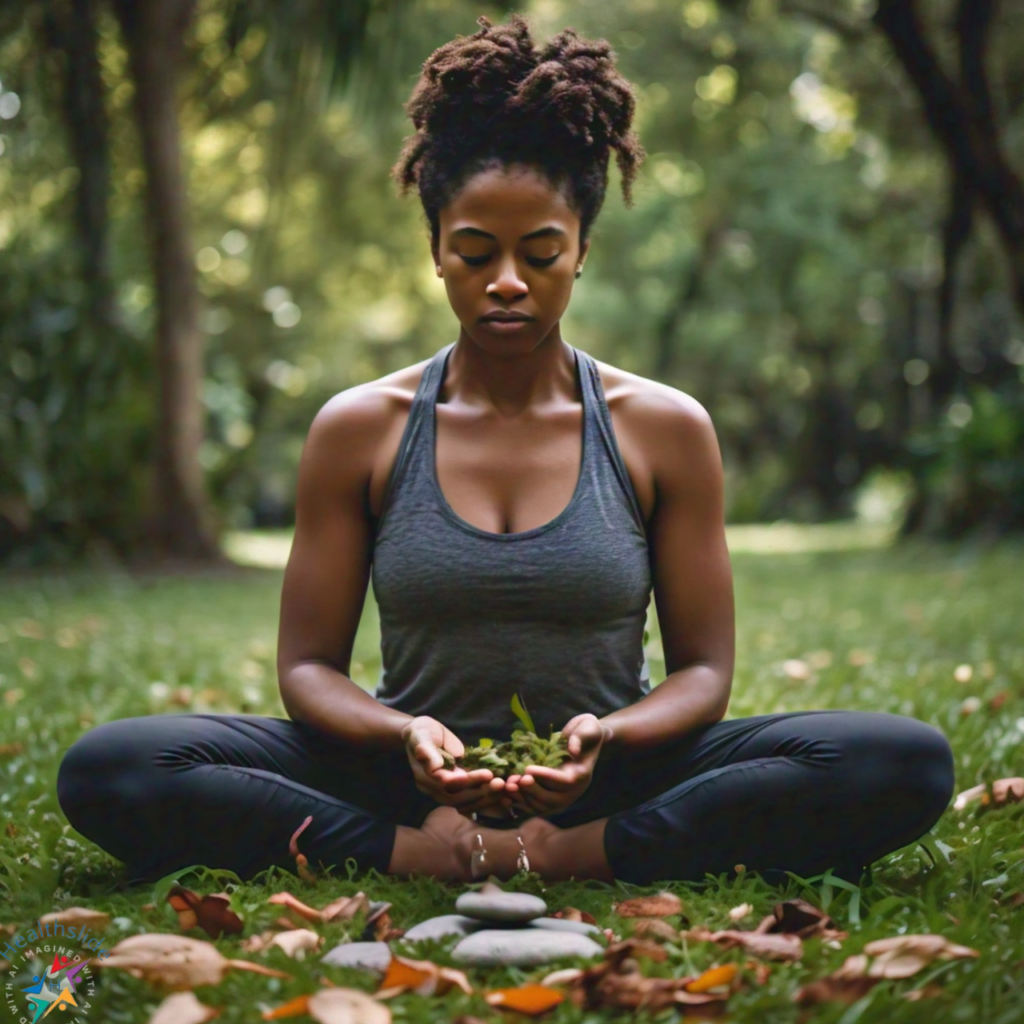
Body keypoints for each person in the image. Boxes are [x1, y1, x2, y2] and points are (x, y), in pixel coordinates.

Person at [56, 14, 954, 888]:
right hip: (404, 780)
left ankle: (575, 850)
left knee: (898, 760)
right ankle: (423, 852)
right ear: (437, 252)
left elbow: (706, 672)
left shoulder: (662, 427)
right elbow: (306, 670)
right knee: (115, 766)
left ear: (584, 253)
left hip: (614, 776)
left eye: (542, 253)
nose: (509, 282)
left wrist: (610, 736)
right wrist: (403, 737)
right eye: (477, 252)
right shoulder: (361, 428)